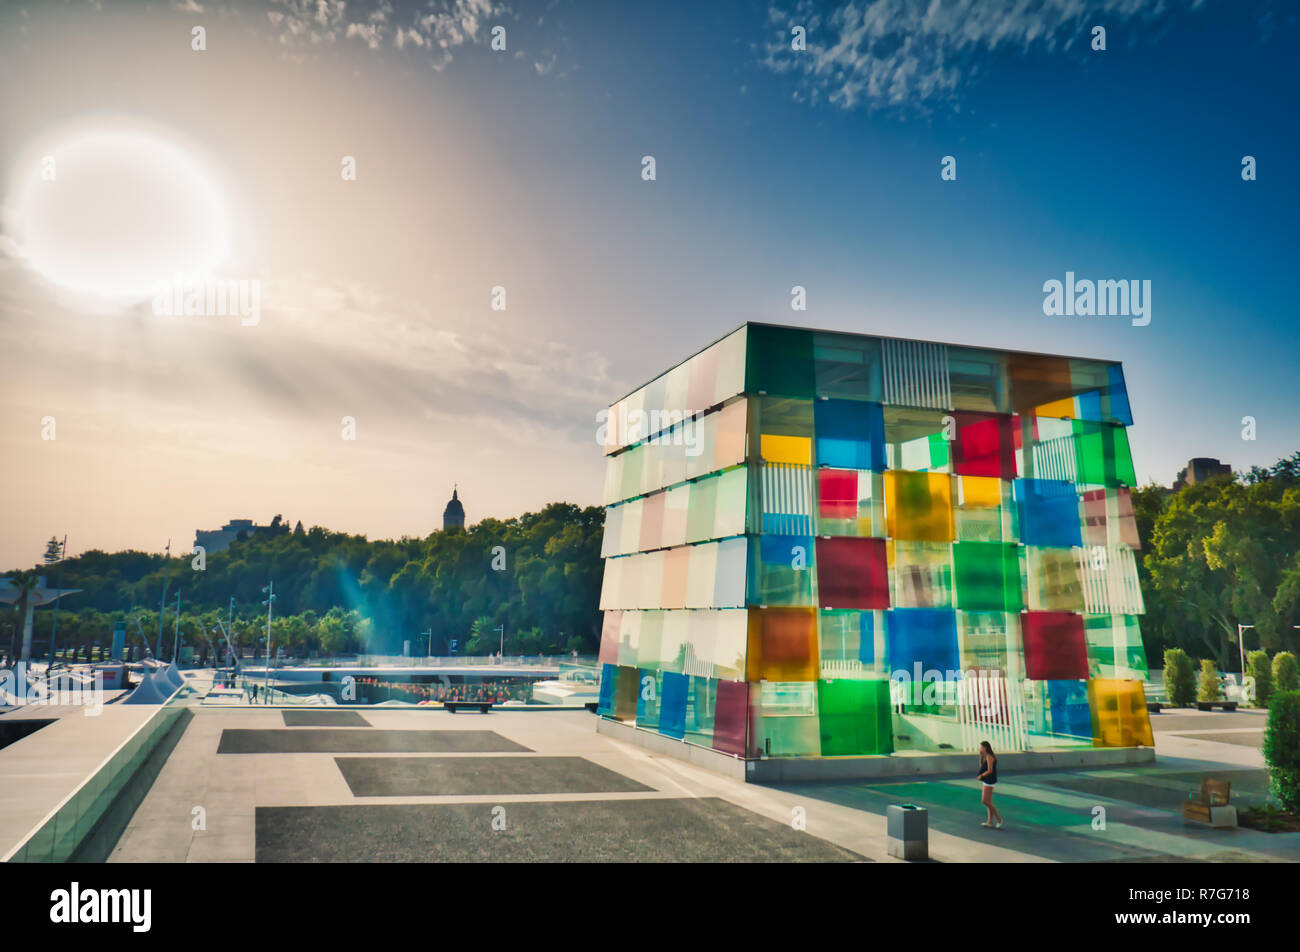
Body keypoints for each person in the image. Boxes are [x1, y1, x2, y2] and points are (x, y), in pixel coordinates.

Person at [977, 741, 1003, 828]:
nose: (980, 749)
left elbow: (990, 770)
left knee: (985, 801)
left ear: (986, 748)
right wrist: (980, 758)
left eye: (981, 747)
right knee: (988, 802)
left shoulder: (989, 757)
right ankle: (990, 821)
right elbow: (982, 768)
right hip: (987, 780)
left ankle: (999, 819)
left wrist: (981, 776)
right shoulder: (985, 757)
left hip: (990, 780)